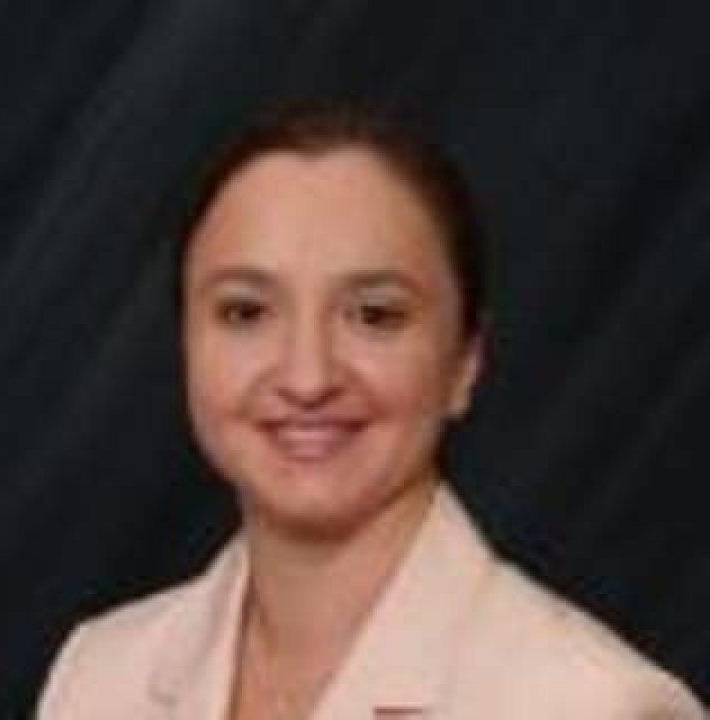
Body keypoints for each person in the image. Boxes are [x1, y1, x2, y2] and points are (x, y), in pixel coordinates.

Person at [37, 101, 705, 720]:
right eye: (245, 311)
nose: (307, 377)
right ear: (187, 343)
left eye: (375, 315)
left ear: (465, 361)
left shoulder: (596, 705)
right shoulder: (99, 677)